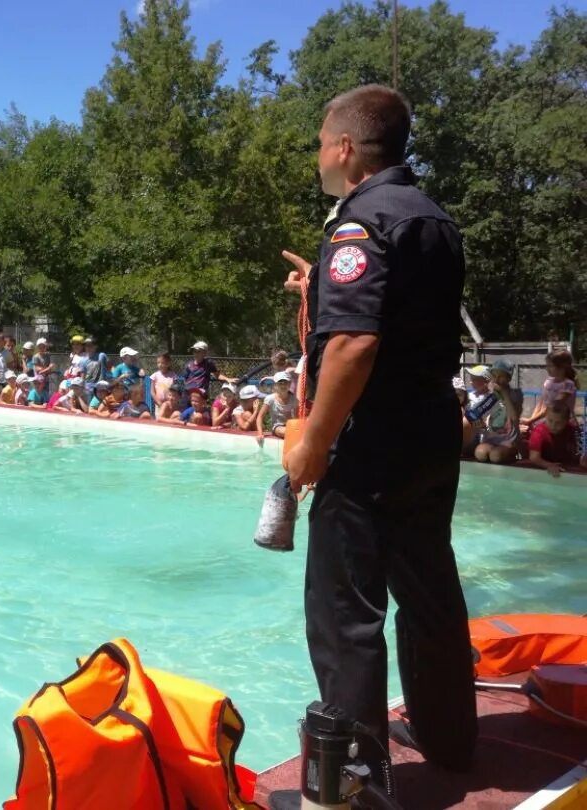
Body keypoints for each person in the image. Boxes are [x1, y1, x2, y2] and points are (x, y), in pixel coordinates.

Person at [281, 84, 476, 778]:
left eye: (319, 147)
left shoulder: (359, 221)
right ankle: (451, 740)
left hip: (369, 449)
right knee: (429, 593)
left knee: (346, 610)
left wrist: (313, 443)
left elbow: (355, 347)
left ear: (344, 147)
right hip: (430, 438)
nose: (317, 161)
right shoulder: (433, 218)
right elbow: (405, 320)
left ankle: (357, 782)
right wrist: (321, 289)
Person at [474, 359, 523, 465]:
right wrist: (480, 423)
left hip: (508, 440)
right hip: (491, 438)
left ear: (509, 378)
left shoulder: (516, 394)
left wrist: (504, 394)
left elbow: (514, 418)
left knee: (496, 456)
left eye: (501, 376)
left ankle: (513, 453)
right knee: (480, 453)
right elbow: (484, 417)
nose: (496, 379)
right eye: (494, 375)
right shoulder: (488, 394)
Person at [521, 348, 578, 432]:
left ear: (562, 367)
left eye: (550, 366)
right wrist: (531, 420)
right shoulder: (548, 382)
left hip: (561, 425)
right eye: (547, 365)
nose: (547, 368)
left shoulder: (567, 385)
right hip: (548, 422)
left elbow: (553, 407)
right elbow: (541, 404)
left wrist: (530, 420)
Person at [527, 400, 586, 477]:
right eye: (550, 420)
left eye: (558, 423)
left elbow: (577, 451)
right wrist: (548, 465)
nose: (553, 425)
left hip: (565, 465)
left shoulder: (572, 430)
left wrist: (582, 459)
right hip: (543, 467)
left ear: (566, 421)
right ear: (545, 417)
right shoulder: (538, 432)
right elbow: (534, 457)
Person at [256, 371, 299, 439]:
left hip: (290, 425)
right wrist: (260, 433)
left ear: (290, 384)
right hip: (277, 427)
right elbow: (260, 417)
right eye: (280, 383)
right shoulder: (270, 399)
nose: (283, 386)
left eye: (285, 383)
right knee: (287, 432)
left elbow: (297, 418)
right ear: (275, 385)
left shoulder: (294, 399)